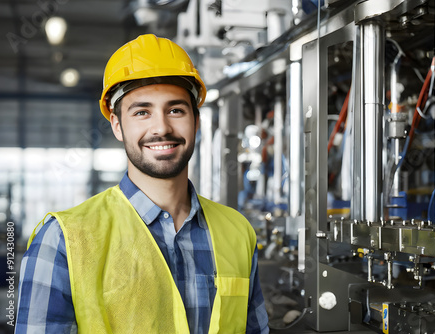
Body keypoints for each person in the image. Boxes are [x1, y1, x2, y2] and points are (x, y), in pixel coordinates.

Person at [16, 34, 269, 334]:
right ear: (117, 125)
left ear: (196, 122)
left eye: (176, 110)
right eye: (142, 112)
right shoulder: (62, 242)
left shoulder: (238, 233)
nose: (161, 127)